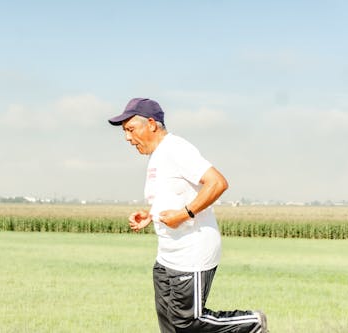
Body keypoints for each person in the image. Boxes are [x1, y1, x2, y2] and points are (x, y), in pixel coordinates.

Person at [108, 98, 268, 333]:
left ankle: (252, 323)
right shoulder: (157, 156)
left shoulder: (175, 149)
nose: (127, 138)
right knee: (170, 326)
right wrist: (149, 214)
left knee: (187, 324)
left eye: (131, 130)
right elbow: (170, 197)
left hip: (191, 255)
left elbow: (217, 183)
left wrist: (184, 214)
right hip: (166, 257)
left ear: (151, 124)